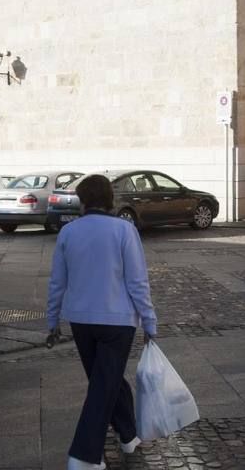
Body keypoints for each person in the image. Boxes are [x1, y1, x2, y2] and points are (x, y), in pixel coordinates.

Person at [46, 174, 157, 470]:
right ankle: (84, 456)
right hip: (117, 322)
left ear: (82, 200)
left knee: (106, 380)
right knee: (103, 384)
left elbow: (57, 281)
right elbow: (137, 282)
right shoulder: (124, 230)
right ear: (110, 200)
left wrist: (52, 321)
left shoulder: (68, 232)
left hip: (81, 321)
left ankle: (128, 435)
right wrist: (149, 321)